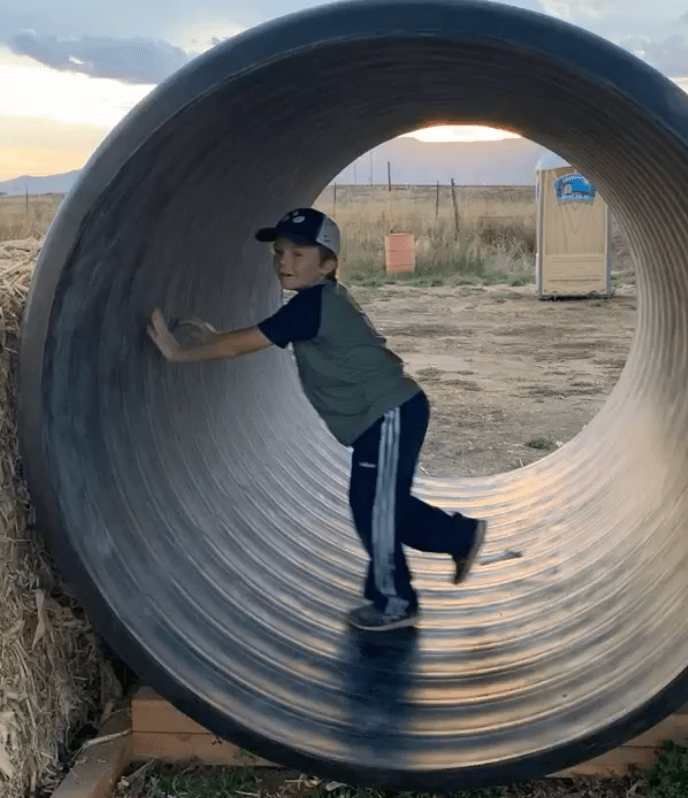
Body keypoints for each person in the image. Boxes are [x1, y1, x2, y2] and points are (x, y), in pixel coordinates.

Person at [147, 207, 487, 632]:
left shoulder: (311, 306)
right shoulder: (313, 304)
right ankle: (457, 536)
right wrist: (215, 336)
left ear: (328, 264)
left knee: (377, 510)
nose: (284, 263)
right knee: (376, 506)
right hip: (384, 416)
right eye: (279, 252)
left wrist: (179, 353)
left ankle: (396, 601)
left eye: (299, 255)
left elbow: (240, 347)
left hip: (388, 413)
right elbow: (252, 335)